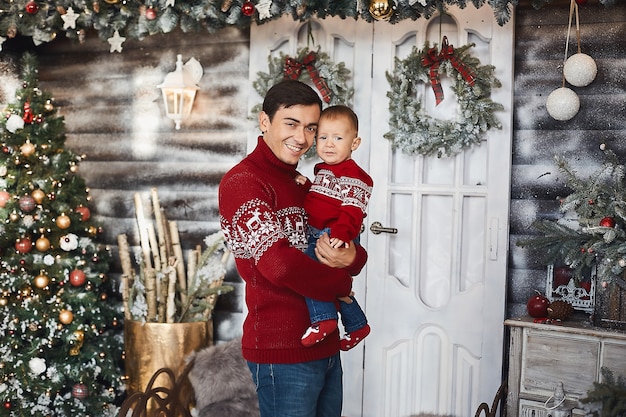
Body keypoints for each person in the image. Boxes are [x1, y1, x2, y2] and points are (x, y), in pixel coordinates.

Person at [218, 79, 368, 417]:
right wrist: (342, 284)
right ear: (264, 121)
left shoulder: (306, 185)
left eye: (311, 128)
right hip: (281, 351)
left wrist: (354, 257)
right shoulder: (244, 183)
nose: (301, 138)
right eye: (291, 123)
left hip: (327, 348)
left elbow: (345, 249)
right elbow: (279, 265)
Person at [296, 105, 372, 351]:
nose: (329, 144)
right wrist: (306, 185)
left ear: (355, 143)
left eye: (338, 138)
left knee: (308, 273)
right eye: (323, 137)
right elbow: (322, 200)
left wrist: (341, 234)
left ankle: (324, 319)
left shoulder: (354, 175)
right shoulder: (325, 170)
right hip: (322, 231)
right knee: (336, 286)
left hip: (335, 234)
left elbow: (352, 209)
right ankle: (357, 324)